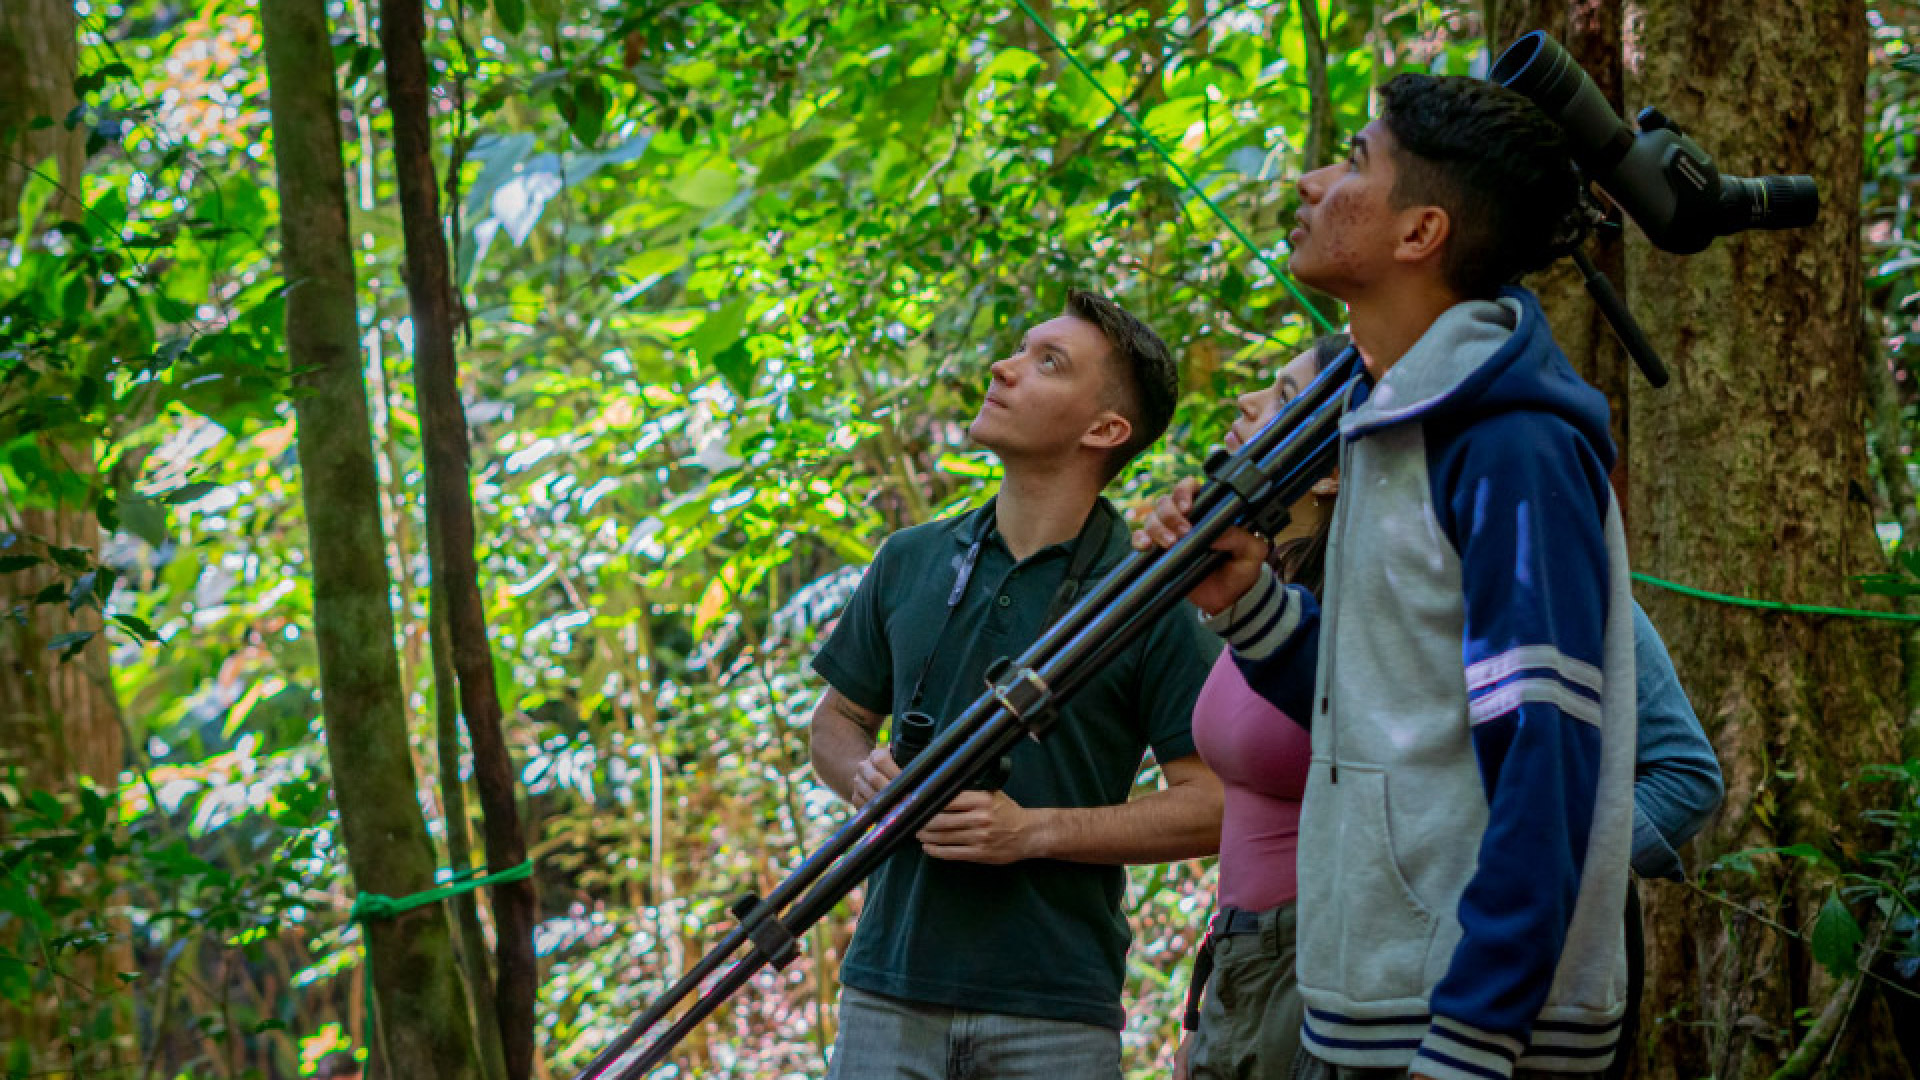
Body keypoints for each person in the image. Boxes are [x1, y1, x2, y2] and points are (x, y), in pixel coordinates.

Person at [1136, 74, 1638, 1080]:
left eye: (1356, 161)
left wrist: (1474, 1035)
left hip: (1467, 1032)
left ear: (1421, 233)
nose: (1315, 180)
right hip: (1378, 1006)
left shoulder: (1512, 446)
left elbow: (1544, 756)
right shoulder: (1389, 419)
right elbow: (1385, 707)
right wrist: (1248, 604)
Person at [1171, 339, 1724, 1080]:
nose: (1245, 405)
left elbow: (1681, 772)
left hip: (1433, 974)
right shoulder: (1294, 581)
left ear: (1339, 461)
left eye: (1279, 394)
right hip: (1269, 960)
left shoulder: (1514, 534)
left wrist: (1539, 874)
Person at [809, 290, 1224, 1080]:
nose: (1003, 368)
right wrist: (862, 775)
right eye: (1020, 349)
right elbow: (834, 722)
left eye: (1047, 362)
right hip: (886, 990)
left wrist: (1033, 832)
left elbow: (1213, 804)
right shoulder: (912, 558)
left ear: (1105, 430)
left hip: (1054, 1007)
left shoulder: (1148, 592)